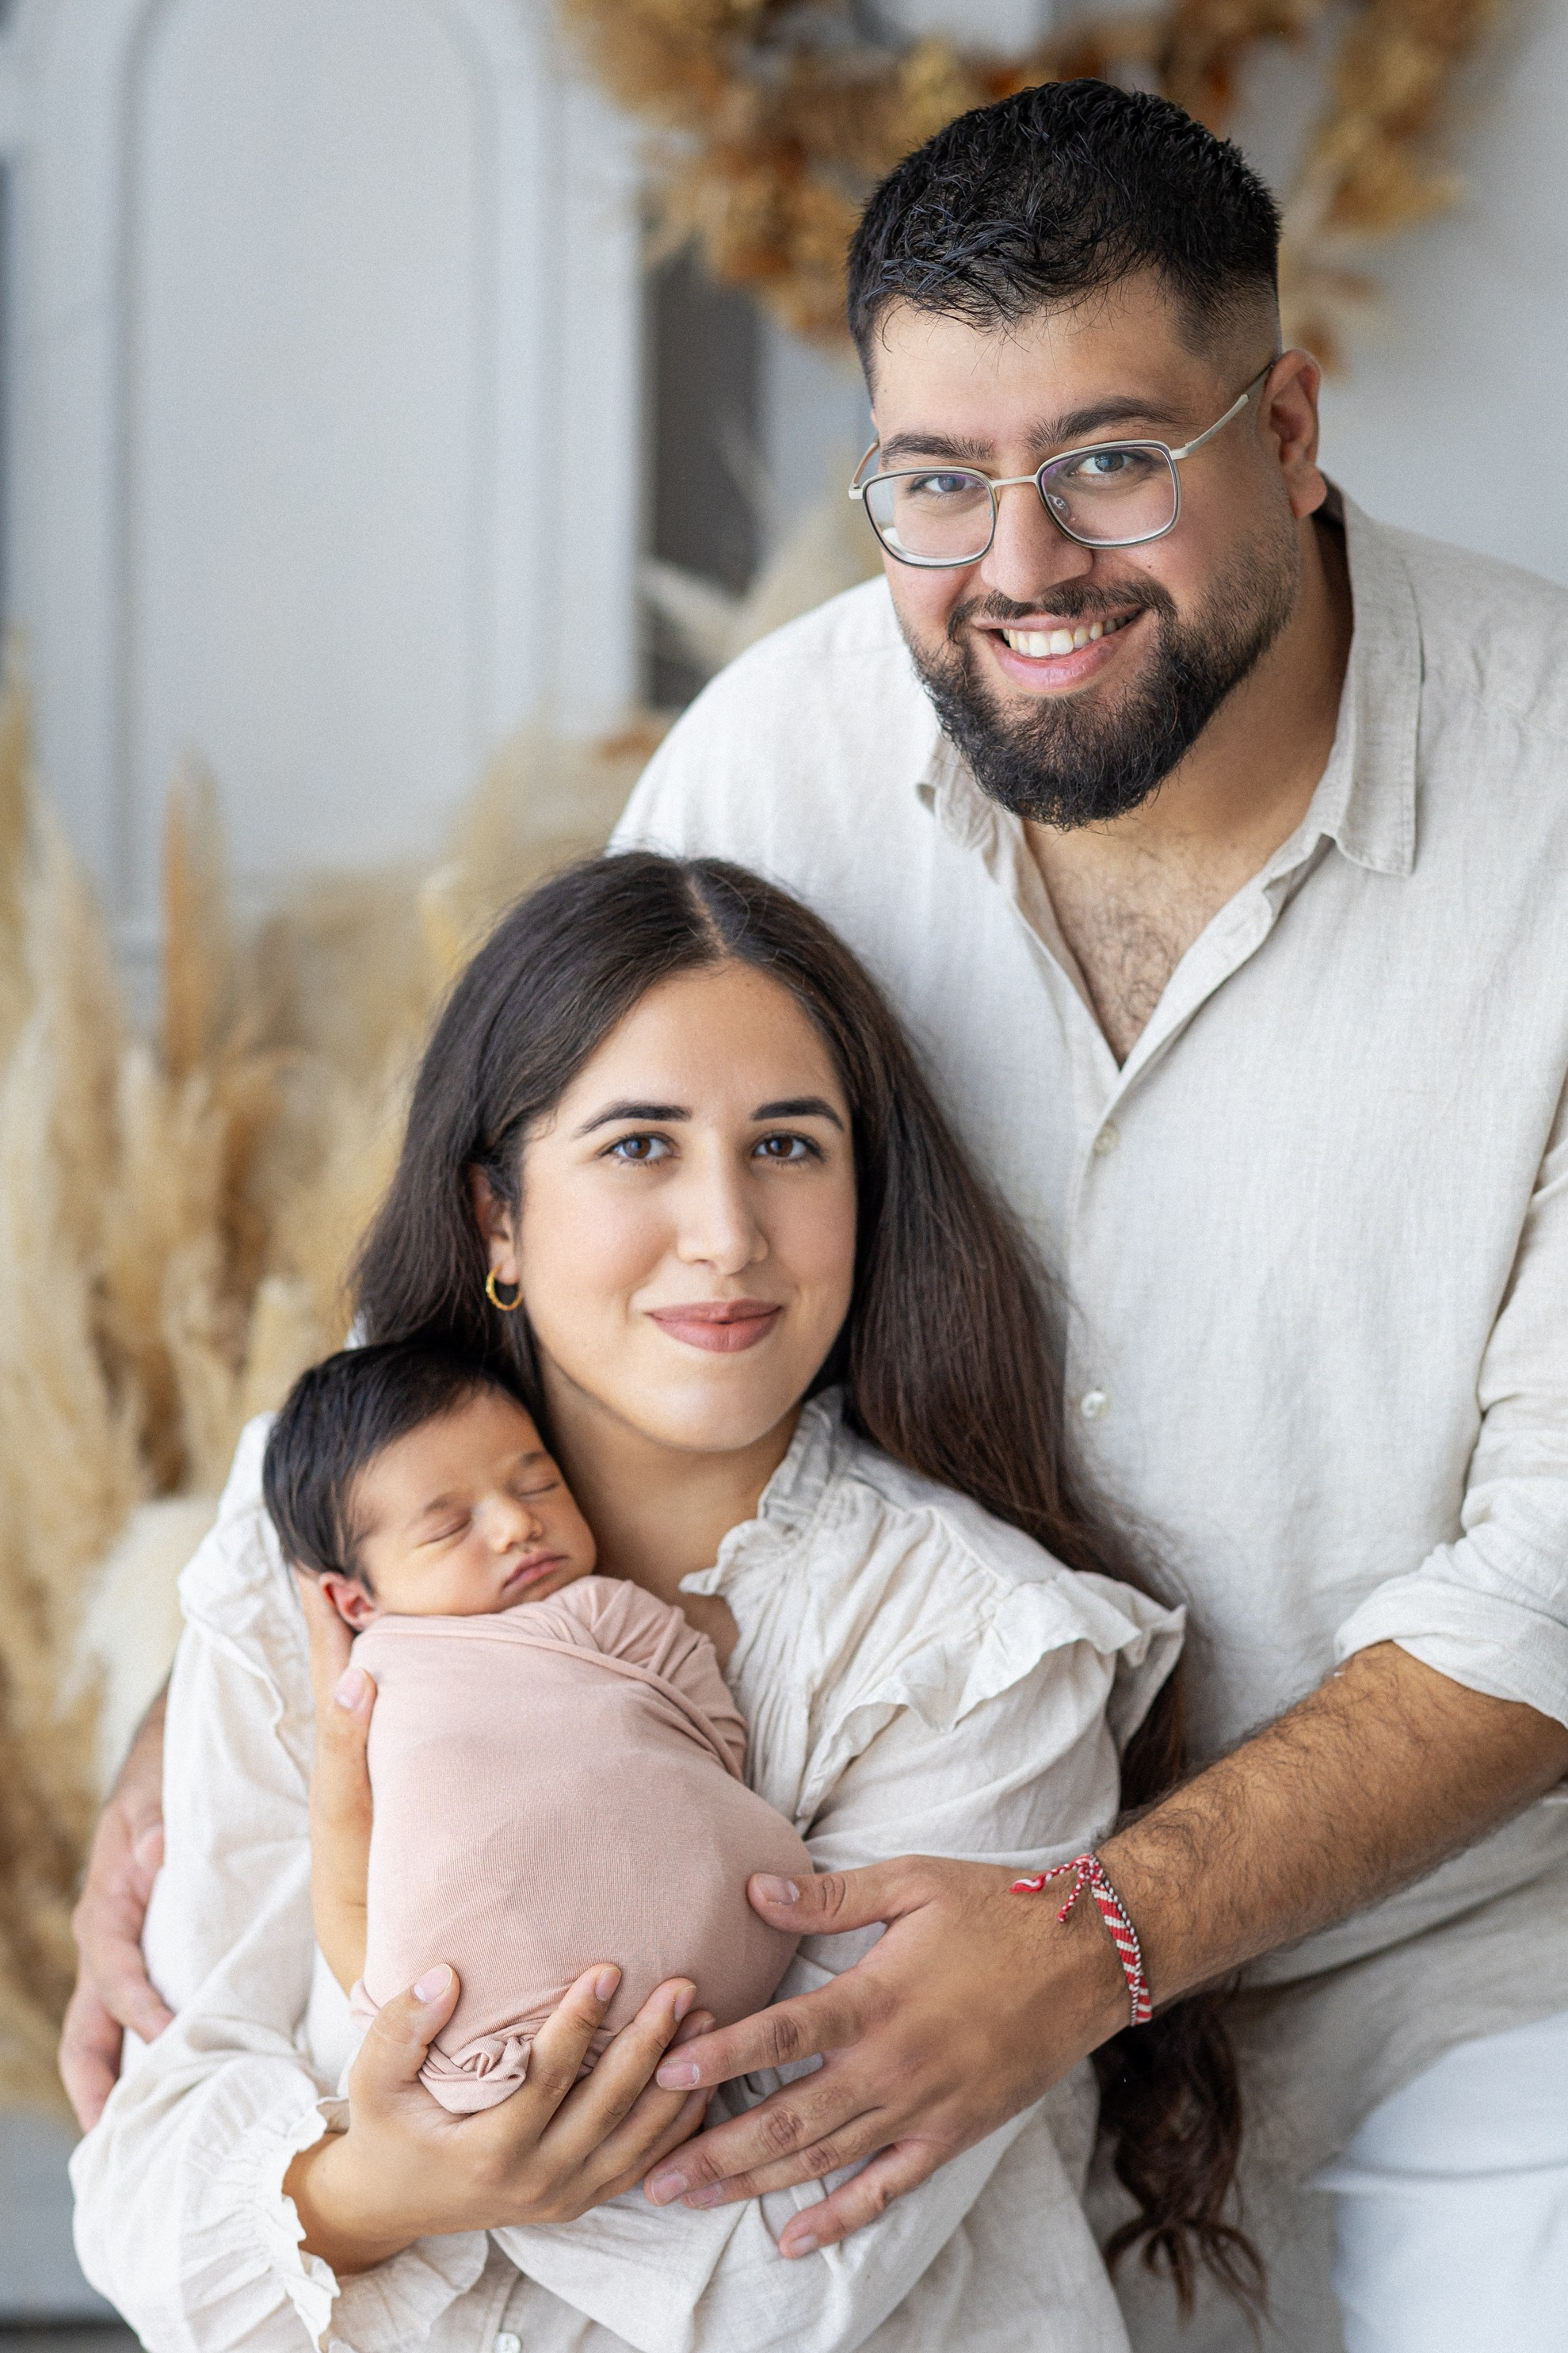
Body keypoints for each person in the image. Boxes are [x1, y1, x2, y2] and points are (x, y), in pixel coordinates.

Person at [63, 78, 1568, 2351]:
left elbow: (1553, 1578)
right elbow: (558, 1251)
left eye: (1113, 459)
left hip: (1441, 1984)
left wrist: (1094, 1930)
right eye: (935, 482)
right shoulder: (782, 753)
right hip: (853, 1929)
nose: (1022, 565)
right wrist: (227, 1715)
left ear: (1288, 422)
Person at [69, 854, 1227, 2353]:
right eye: (637, 1146)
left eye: (789, 1146)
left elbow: (770, 2273)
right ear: (495, 1215)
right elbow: (148, 2197)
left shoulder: (978, 1649)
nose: (727, 1231)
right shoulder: (304, 1549)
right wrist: (365, 2188)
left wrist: (352, 2176)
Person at [261, 1340, 811, 2112]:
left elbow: (713, 1740)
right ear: (355, 1601)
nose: (518, 1523)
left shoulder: (604, 1608)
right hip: (467, 2028)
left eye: (539, 1483)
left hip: (693, 1970)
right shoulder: (371, 1687)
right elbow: (358, 1870)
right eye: (450, 1526)